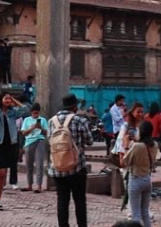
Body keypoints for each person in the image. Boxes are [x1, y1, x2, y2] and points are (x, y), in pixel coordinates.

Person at [48, 93, 94, 227]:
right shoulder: (79, 120)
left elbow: (49, 141)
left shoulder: (52, 121)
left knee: (62, 201)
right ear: (74, 106)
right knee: (79, 201)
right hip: (76, 168)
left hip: (57, 168)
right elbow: (90, 141)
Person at [0, 90, 28, 208]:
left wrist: (14, 100)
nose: (8, 101)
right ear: (1, 99)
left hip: (10, 144)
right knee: (0, 172)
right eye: (5, 98)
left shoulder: (13, 112)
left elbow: (24, 109)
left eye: (9, 99)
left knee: (3, 174)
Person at [123, 120, 156, 227]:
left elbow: (125, 161)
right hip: (147, 179)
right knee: (145, 213)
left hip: (136, 180)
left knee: (135, 214)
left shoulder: (137, 146)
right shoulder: (154, 145)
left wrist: (126, 145)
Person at [22, 103, 49, 192]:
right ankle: (29, 185)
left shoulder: (43, 120)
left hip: (39, 141)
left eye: (37, 113)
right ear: (31, 112)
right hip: (29, 142)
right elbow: (24, 133)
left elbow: (46, 133)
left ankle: (39, 186)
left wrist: (40, 127)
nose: (35, 115)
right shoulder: (26, 120)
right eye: (34, 113)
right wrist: (33, 127)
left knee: (39, 164)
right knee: (29, 164)